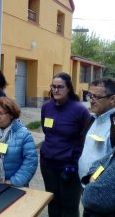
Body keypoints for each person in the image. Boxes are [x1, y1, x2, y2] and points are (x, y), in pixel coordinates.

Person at [40, 72, 90, 217]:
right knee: (53, 203)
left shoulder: (79, 110)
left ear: (68, 88)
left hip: (70, 166)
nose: (56, 90)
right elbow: (46, 131)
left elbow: (85, 138)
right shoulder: (46, 107)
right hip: (48, 164)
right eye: (53, 87)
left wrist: (74, 161)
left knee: (69, 206)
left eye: (60, 87)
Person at [78, 78, 115, 186]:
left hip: (101, 188)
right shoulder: (92, 119)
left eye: (96, 97)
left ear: (113, 99)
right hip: (85, 185)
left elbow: (114, 163)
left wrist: (93, 178)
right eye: (90, 95)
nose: (91, 100)